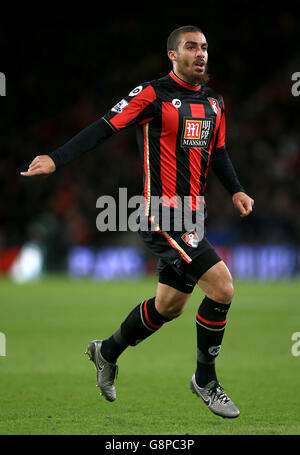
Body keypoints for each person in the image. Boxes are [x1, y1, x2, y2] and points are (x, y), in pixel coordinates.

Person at [21, 25, 254, 419]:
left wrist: (236, 189)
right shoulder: (153, 94)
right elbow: (103, 127)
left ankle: (106, 351)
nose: (201, 54)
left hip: (194, 217)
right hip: (163, 214)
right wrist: (57, 158)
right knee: (222, 287)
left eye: (205, 48)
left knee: (168, 306)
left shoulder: (214, 103)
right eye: (191, 48)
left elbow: (219, 153)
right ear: (173, 55)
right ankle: (206, 380)